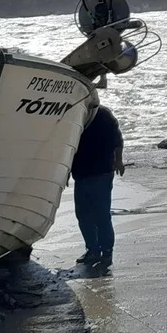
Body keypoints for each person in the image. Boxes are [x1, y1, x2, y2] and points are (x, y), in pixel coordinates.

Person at [71, 104, 124, 269]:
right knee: (83, 215)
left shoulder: (103, 114)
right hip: (81, 174)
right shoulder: (73, 113)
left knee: (101, 215)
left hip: (102, 172)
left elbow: (118, 139)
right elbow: (66, 145)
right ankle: (92, 249)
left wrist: (119, 160)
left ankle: (107, 252)